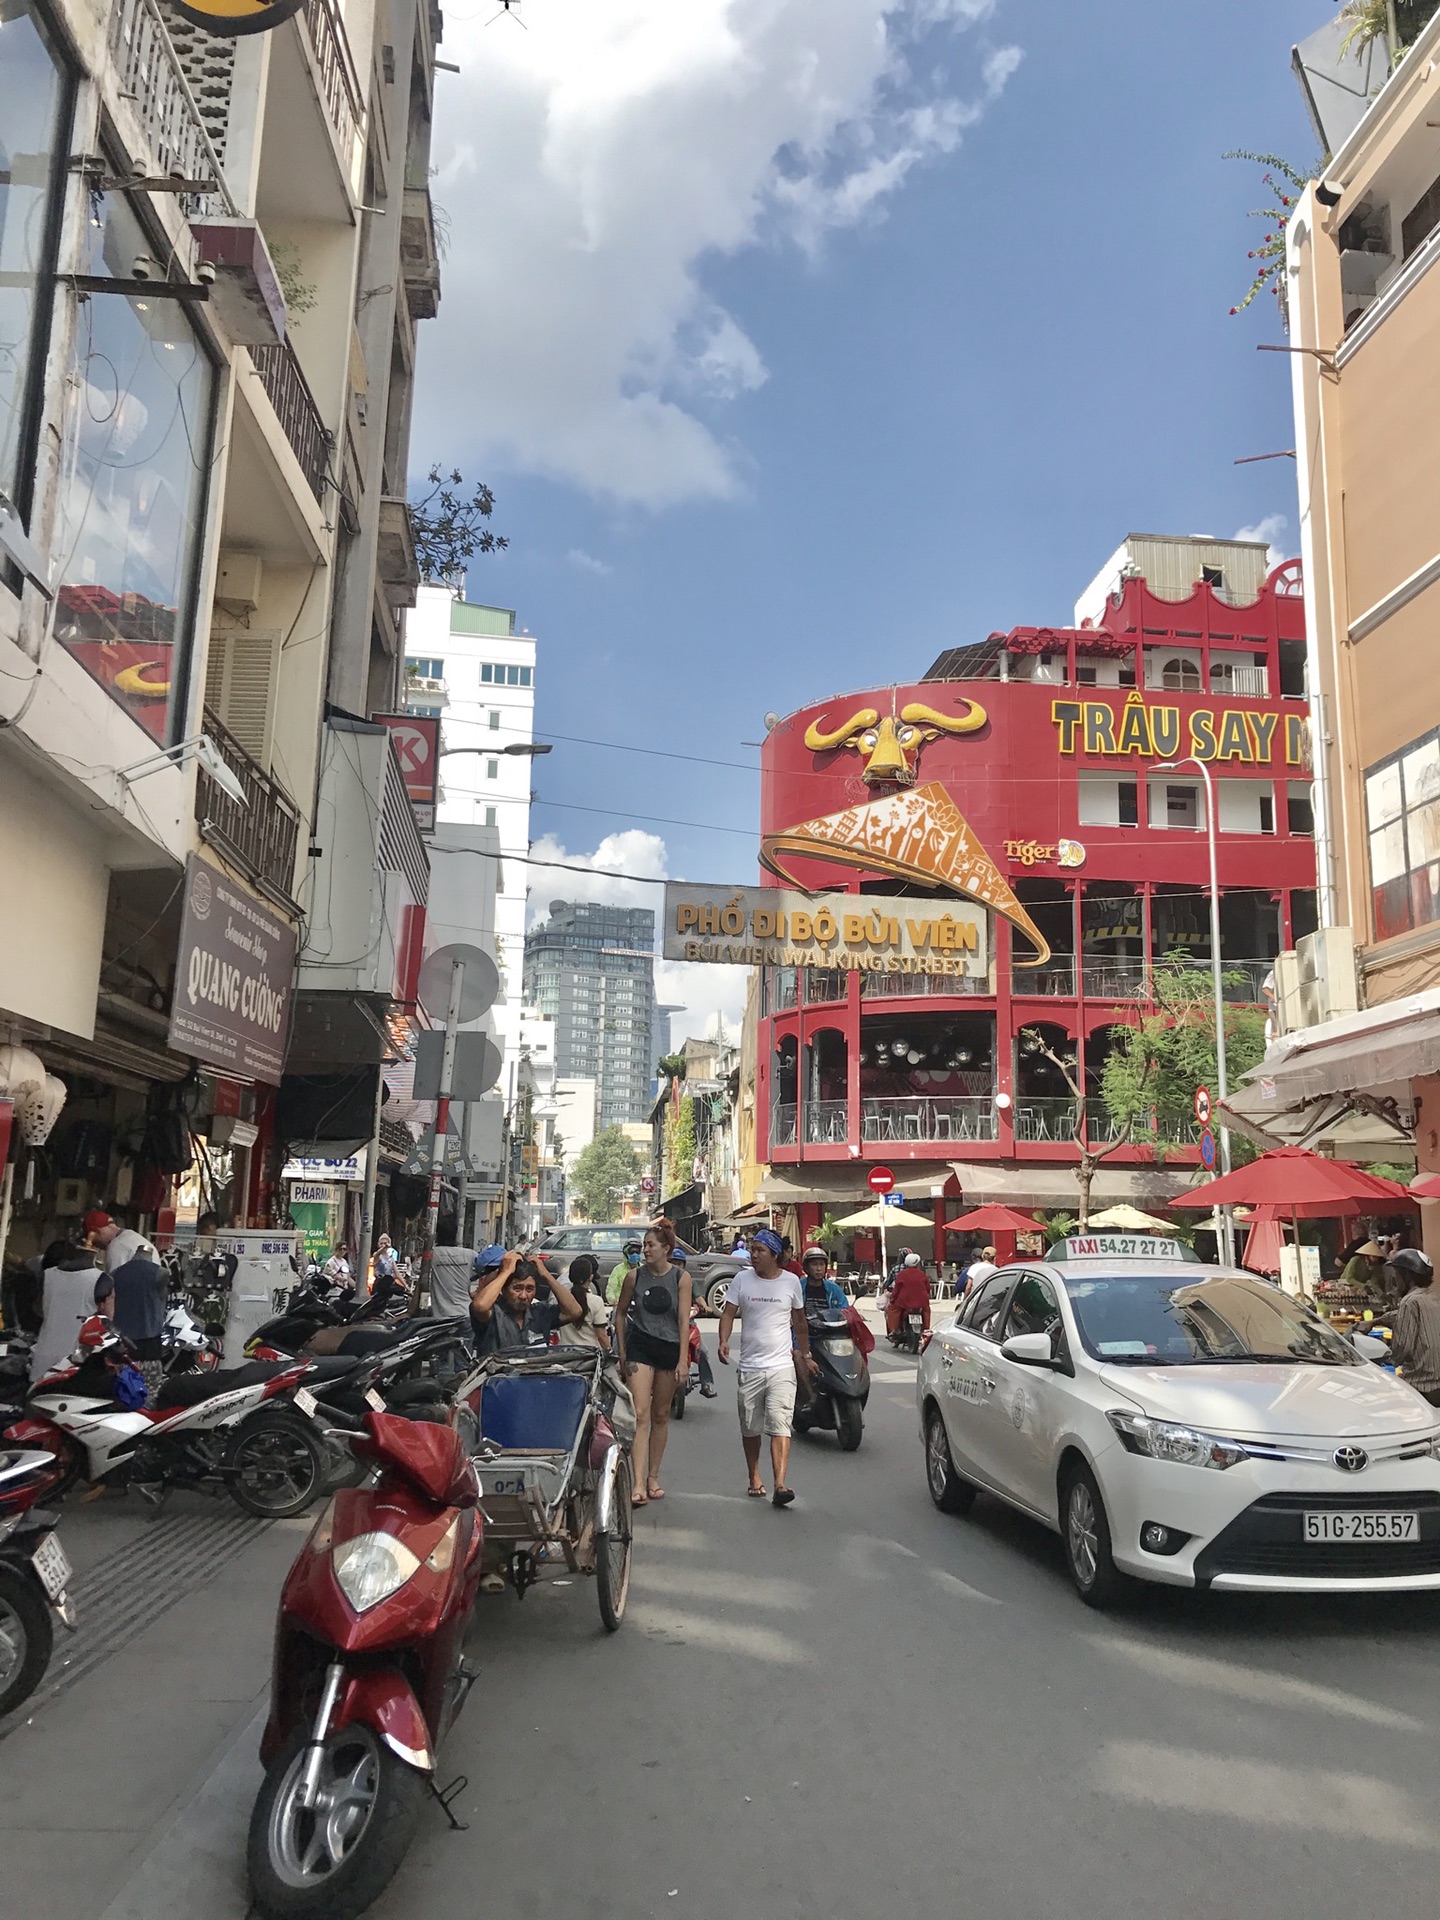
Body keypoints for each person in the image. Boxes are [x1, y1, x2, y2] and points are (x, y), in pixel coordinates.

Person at [718, 1228, 814, 1507]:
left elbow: (799, 1321)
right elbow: (727, 1313)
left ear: (774, 1255)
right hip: (750, 1366)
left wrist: (805, 1355)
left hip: (781, 1366)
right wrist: (724, 1340)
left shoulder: (791, 1282)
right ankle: (754, 1475)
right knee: (750, 1427)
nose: (754, 1255)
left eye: (760, 1250)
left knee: (780, 1422)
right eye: (753, 1249)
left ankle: (780, 1484)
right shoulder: (741, 1280)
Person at [615, 1219, 691, 1505]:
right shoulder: (634, 1277)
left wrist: (683, 1359)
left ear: (666, 1249)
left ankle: (653, 1476)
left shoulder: (680, 1279)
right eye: (644, 1245)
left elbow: (684, 1320)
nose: (644, 1250)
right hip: (641, 1347)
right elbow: (620, 1313)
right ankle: (637, 1483)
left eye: (650, 1245)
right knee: (640, 1413)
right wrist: (622, 1354)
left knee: (661, 1415)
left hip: (669, 1348)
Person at [30, 1240, 111, 1384]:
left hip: (45, 1352)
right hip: (77, 1358)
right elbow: (108, 1320)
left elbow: (39, 1308)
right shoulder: (103, 1280)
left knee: (38, 1400)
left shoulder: (47, 1275)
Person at [470, 1250, 584, 1353]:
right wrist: (506, 1272)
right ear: (503, 1290)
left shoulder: (540, 1313)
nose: (523, 1296)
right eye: (517, 1289)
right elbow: (480, 1306)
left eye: (529, 1289)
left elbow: (575, 1311)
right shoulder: (494, 1314)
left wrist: (546, 1275)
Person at [1387, 1249, 1440, 1405]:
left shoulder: (1409, 1302)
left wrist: (1390, 1360)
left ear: (1407, 1275)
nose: (1395, 1279)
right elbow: (1399, 1315)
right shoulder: (1433, 1297)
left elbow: (1403, 1347)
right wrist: (1376, 1321)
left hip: (1420, 1386)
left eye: (1396, 1274)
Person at [672, 1248, 716, 1395]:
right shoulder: (665, 1279)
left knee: (703, 1351)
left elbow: (697, 1297)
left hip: (688, 1324)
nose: (677, 1266)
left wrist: (705, 1306)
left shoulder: (688, 1280)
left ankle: (706, 1384)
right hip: (668, 1326)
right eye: (674, 1263)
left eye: (679, 1263)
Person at [109, 1250, 167, 1356]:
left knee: (124, 1368)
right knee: (148, 1369)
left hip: (122, 1332)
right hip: (150, 1331)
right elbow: (163, 1298)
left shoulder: (116, 1272)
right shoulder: (161, 1272)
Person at [558, 1254, 612, 1352]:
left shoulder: (562, 1299)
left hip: (564, 1354)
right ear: (590, 1277)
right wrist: (612, 1355)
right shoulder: (596, 1301)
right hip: (589, 1355)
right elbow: (601, 1335)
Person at [429, 1226, 483, 1320]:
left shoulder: (432, 1254)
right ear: (456, 1236)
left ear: (436, 1236)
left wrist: (410, 1312)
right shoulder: (470, 1254)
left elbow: (422, 1281)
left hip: (440, 1319)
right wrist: (478, 1292)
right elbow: (490, 1271)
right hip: (466, 1314)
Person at [83, 1209, 158, 1273]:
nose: (98, 1247)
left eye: (95, 1242)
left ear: (97, 1232)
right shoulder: (132, 1236)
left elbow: (114, 1283)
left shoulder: (117, 1246)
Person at [886, 1250, 932, 1339]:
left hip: (904, 1302)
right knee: (926, 1310)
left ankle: (894, 1330)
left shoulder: (902, 1274)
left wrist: (893, 1299)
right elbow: (928, 1288)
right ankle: (926, 1328)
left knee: (892, 1309)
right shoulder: (922, 1274)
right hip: (921, 1302)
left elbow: (896, 1289)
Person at [1339, 1238, 1388, 1307]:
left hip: (1358, 1289)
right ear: (1368, 1255)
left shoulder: (1374, 1265)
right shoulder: (1355, 1260)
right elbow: (1349, 1278)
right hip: (1345, 1287)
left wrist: (1381, 1294)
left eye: (1377, 1257)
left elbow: (1373, 1281)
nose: (1375, 1259)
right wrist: (1364, 1286)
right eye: (1374, 1257)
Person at [606, 1239, 642, 1306]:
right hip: (621, 1305)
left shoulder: (644, 1269)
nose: (635, 1254)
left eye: (637, 1252)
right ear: (626, 1253)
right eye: (632, 1252)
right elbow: (610, 1289)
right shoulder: (618, 1270)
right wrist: (612, 1299)